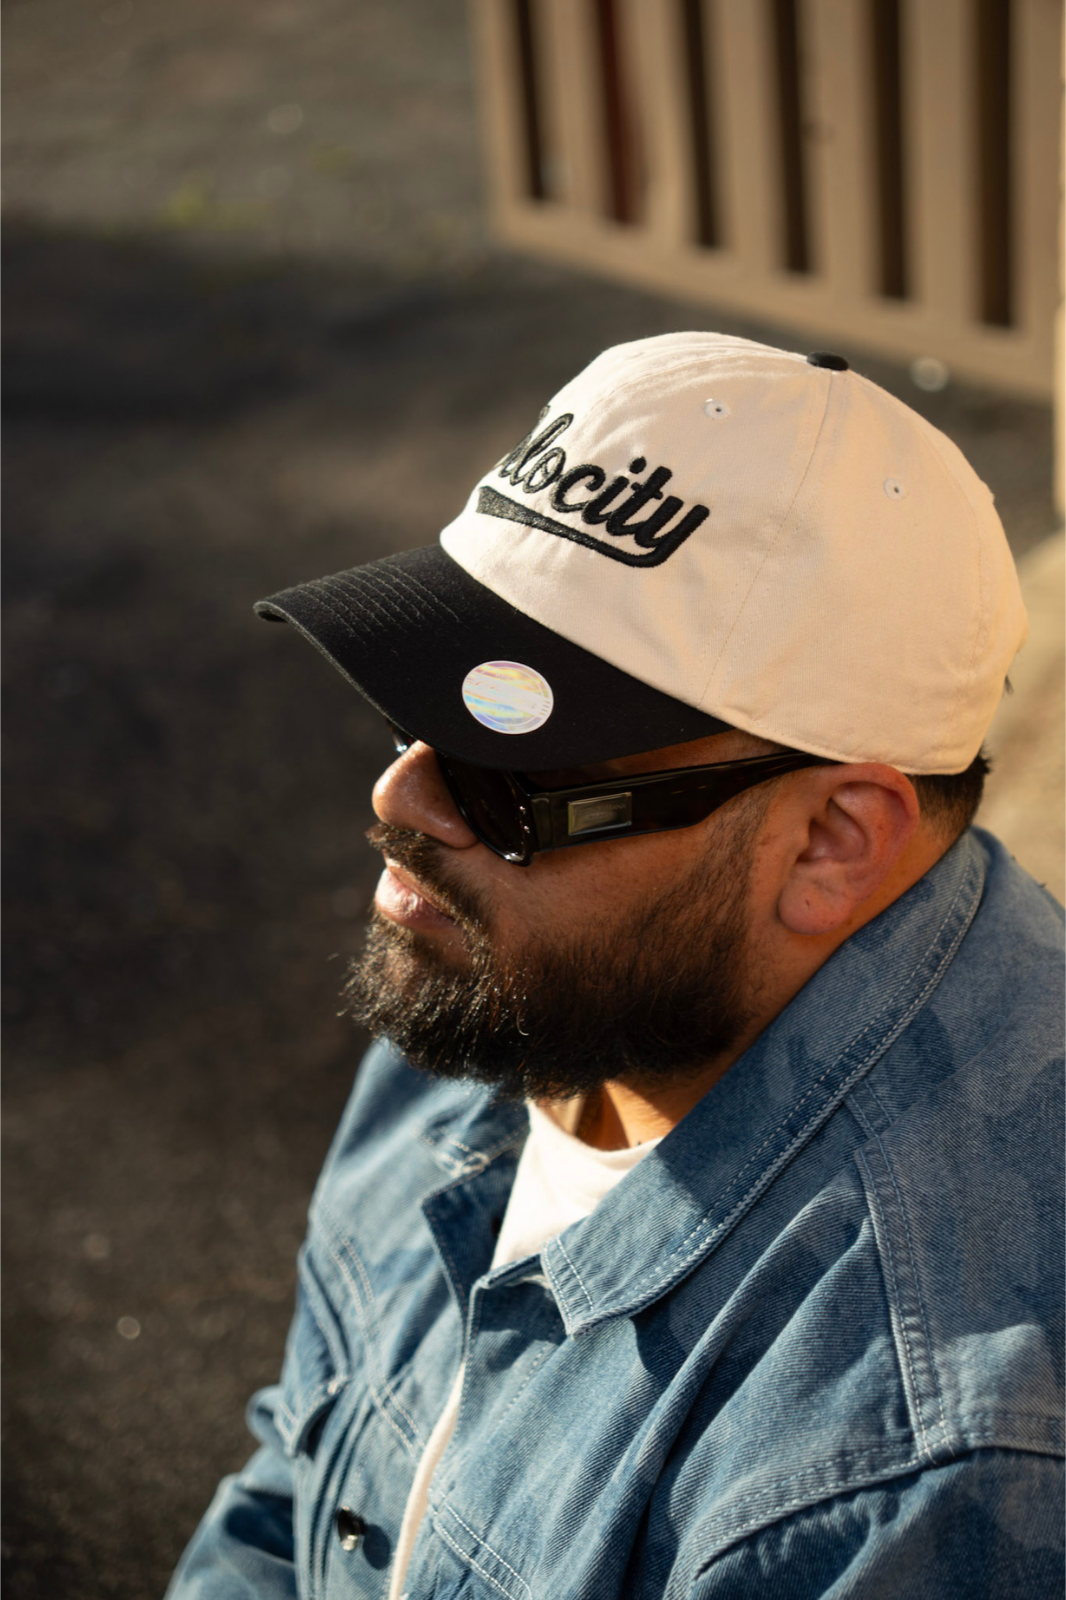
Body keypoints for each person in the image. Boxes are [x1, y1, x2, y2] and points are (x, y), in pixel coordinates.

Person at [167, 334, 1063, 1599]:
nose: (404, 797)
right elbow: (301, 1483)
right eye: (423, 703)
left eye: (510, 768)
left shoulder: (913, 1475)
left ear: (829, 841)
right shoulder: (518, 971)